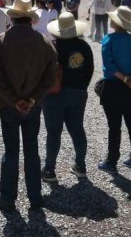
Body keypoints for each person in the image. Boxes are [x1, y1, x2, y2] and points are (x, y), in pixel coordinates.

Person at [0, 0, 58, 212]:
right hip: (33, 106)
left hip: (9, 106)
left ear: (13, 17)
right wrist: (32, 99)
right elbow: (50, 76)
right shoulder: (44, 43)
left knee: (11, 151)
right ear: (30, 18)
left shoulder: (2, 41)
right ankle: (35, 198)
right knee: (32, 150)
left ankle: (7, 198)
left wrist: (13, 100)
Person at [41, 12, 94, 182]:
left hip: (54, 94)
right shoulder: (84, 47)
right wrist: (82, 86)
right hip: (78, 92)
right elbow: (90, 70)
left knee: (54, 132)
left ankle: (50, 169)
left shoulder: (52, 47)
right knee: (77, 129)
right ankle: (80, 165)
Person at [98, 6, 131, 172]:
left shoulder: (108, 40)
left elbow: (109, 66)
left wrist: (125, 79)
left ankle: (112, 161)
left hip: (114, 87)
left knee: (114, 126)